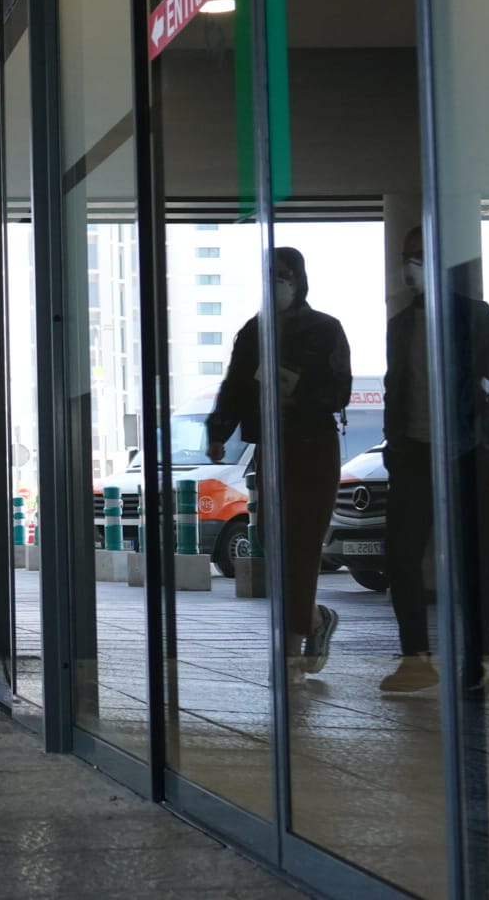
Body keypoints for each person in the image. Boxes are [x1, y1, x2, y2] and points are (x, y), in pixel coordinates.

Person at [379, 227, 489, 697]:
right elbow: (394, 387)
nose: (410, 265)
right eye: (406, 255)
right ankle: (416, 659)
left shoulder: (471, 316)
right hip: (414, 456)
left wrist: (484, 434)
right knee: (400, 555)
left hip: (462, 453)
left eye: (419, 256)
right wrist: (394, 445)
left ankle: (474, 664)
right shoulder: (400, 323)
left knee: (470, 562)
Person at [208, 247, 351, 683]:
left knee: (303, 546)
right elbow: (234, 384)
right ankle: (313, 620)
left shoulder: (325, 329)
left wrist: (297, 398)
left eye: (284, 275)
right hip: (272, 447)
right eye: (269, 274)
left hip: (313, 445)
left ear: (300, 279)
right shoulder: (254, 331)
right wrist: (219, 431)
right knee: (277, 544)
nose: (277, 283)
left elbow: (340, 391)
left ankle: (289, 652)